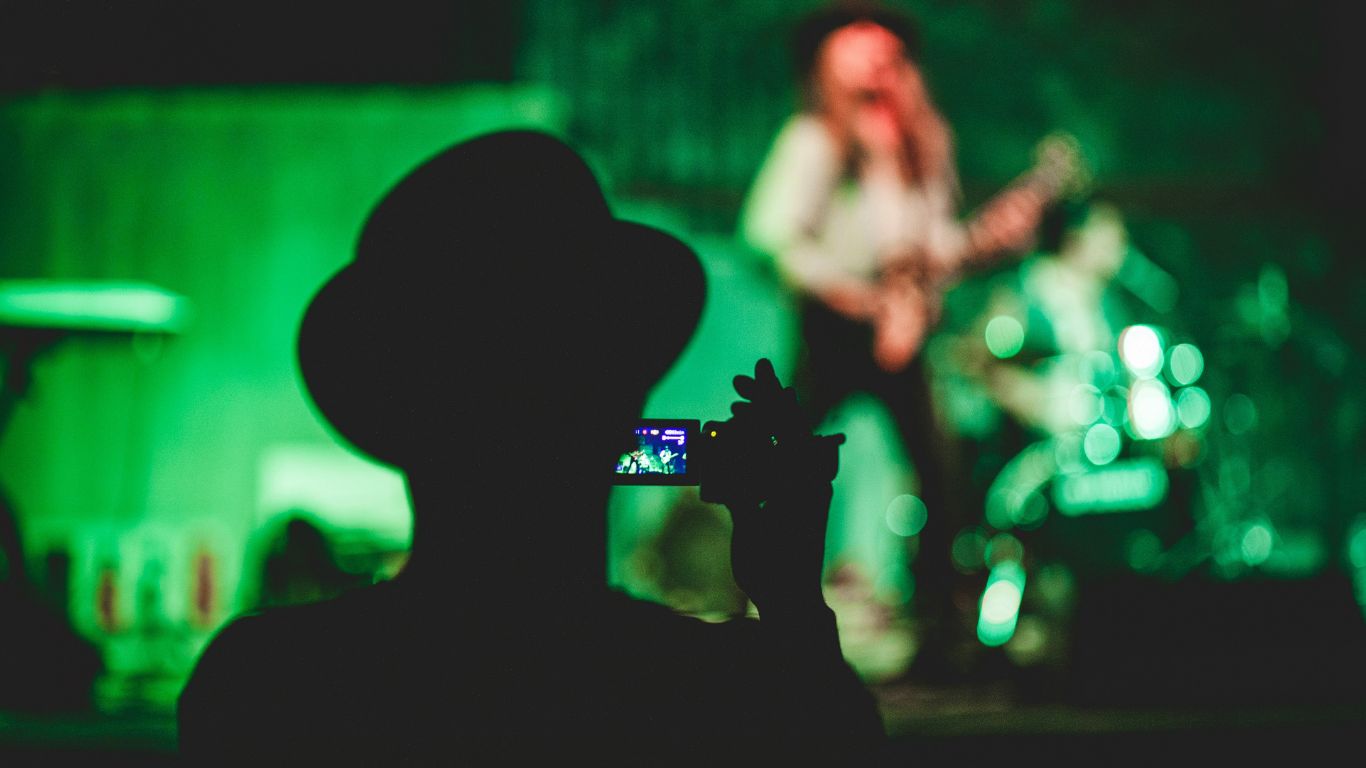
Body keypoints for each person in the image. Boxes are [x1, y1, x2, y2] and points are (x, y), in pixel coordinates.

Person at [178, 130, 885, 765]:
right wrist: (791, 601)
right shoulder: (724, 695)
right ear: (623, 400)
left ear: (392, 414)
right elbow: (833, 735)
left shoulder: (268, 685)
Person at [739, 2, 1080, 682]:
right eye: (856, 41)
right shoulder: (815, 141)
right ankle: (766, 619)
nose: (875, 53)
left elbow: (933, 246)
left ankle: (940, 630)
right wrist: (855, 295)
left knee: (939, 475)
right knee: (785, 469)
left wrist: (991, 236)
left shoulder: (924, 142)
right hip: (836, 330)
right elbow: (769, 234)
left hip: (904, 327)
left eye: (885, 43)